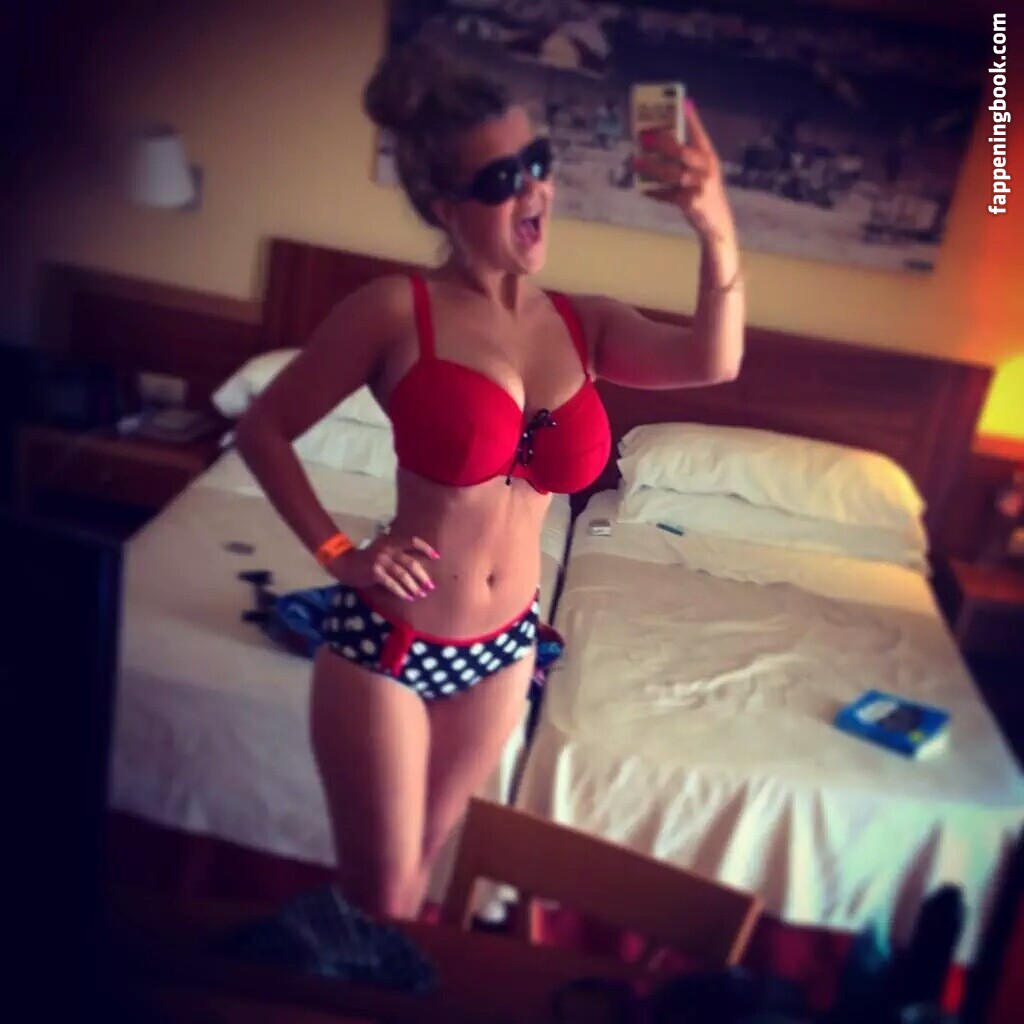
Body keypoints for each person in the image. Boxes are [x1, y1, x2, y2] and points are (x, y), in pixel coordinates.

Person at [234, 40, 745, 921]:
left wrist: (714, 222)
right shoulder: (393, 311)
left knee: (422, 873)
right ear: (445, 206)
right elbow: (263, 429)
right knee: (383, 894)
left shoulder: (583, 325)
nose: (535, 190)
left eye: (537, 162)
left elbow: (714, 359)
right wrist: (338, 552)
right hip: (389, 646)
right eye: (504, 178)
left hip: (505, 651)